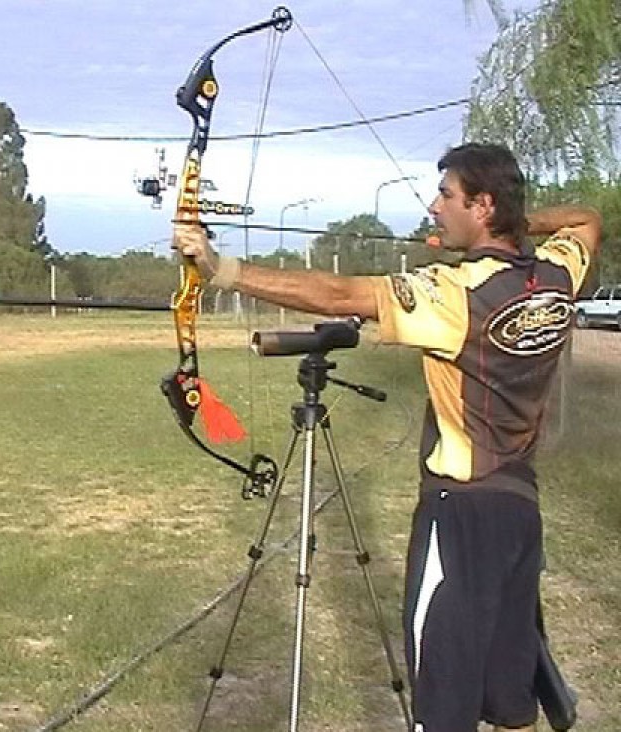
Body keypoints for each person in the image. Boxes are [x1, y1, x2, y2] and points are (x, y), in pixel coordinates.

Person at [173, 142, 602, 732]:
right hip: (519, 516)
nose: (433, 207)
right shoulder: (558, 273)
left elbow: (340, 295)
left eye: (447, 196)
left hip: (460, 518)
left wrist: (222, 269)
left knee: (443, 714)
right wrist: (514, 222)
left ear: (482, 205)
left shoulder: (456, 293)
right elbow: (587, 220)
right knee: (510, 707)